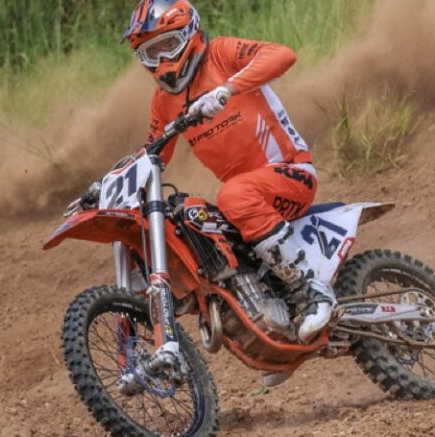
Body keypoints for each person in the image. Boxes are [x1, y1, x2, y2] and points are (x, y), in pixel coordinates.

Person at [122, 0, 335, 384]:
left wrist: (227, 88)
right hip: (247, 199)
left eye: (167, 45)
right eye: (151, 53)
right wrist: (113, 185)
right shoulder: (164, 102)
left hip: (290, 174)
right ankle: (271, 328)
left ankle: (312, 289)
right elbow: (154, 155)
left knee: (233, 196)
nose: (162, 60)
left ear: (188, 34)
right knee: (194, 226)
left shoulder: (220, 54)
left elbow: (283, 55)